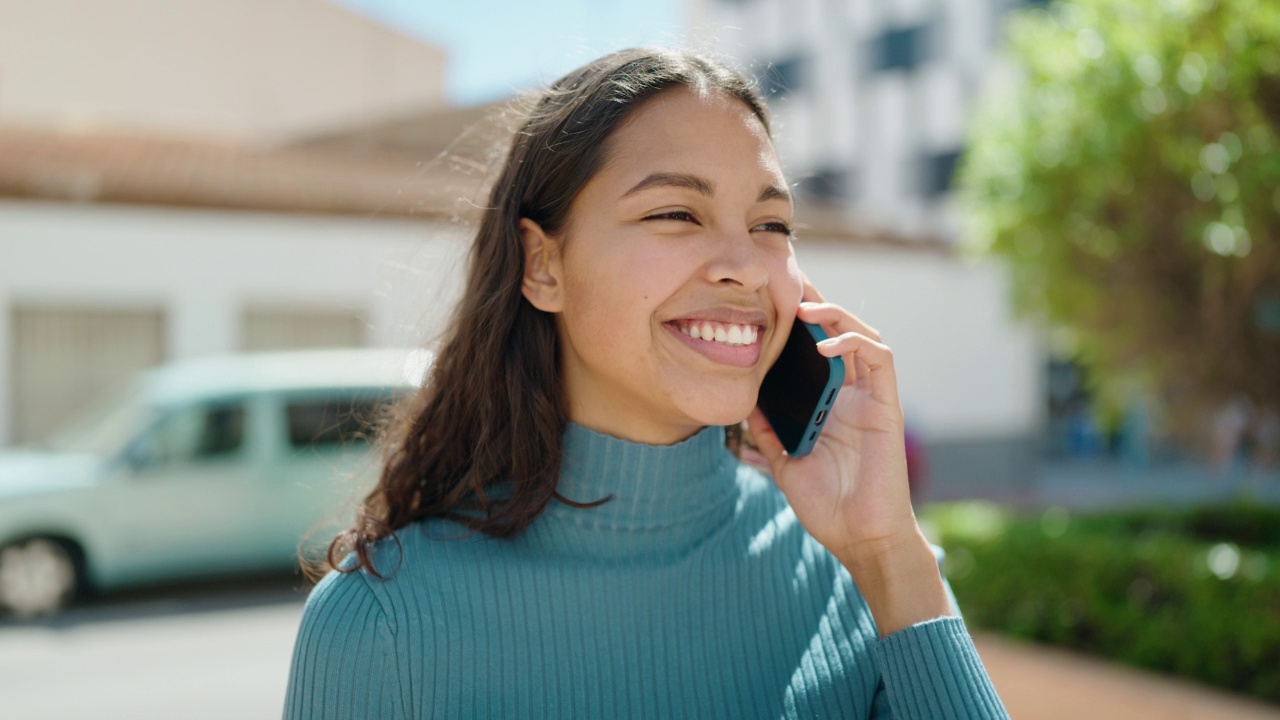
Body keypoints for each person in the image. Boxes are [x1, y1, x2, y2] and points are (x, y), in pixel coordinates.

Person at [283, 47, 1009, 719]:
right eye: (675, 213)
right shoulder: (382, 625)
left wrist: (890, 559)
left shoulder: (864, 573)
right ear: (543, 266)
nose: (747, 266)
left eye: (771, 224)